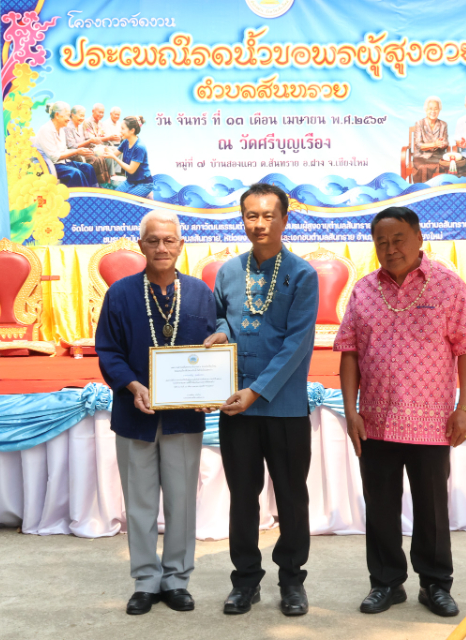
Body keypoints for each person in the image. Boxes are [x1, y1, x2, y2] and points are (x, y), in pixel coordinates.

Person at [334, 206, 466, 618]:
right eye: (381, 242)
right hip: (375, 420)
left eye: (398, 239)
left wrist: (465, 407)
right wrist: (351, 411)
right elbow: (349, 352)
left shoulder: (448, 286)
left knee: (432, 509)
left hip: (433, 421)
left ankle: (435, 584)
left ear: (419, 238)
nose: (390, 248)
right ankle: (386, 583)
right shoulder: (364, 290)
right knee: (380, 508)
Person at [203, 183, 319, 617]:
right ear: (243, 219)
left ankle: (292, 581)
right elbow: (222, 318)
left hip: (284, 407)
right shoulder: (228, 271)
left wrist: (257, 391)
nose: (260, 224)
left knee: (291, 497)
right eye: (252, 215)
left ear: (284, 219)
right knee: (242, 497)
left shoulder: (302, 274)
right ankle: (245, 581)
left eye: (269, 216)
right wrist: (220, 334)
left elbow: (297, 344)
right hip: (236, 406)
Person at [94, 210, 217, 615]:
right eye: (153, 240)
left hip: (184, 417)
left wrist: (210, 389)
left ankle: (177, 579)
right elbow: (108, 351)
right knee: (140, 503)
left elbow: (214, 349)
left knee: (182, 502)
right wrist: (133, 386)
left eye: (169, 240)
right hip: (135, 415)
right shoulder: (120, 294)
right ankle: (146, 581)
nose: (161, 247)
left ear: (181, 244)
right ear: (141, 245)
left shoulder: (200, 293)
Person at [36, 102, 99, 188]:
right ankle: (82, 195)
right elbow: (53, 157)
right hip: (50, 165)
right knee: (75, 173)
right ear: (57, 115)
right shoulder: (45, 130)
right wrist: (77, 152)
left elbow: (64, 150)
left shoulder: (61, 130)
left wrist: (81, 151)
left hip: (62, 162)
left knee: (88, 168)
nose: (69, 119)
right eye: (67, 116)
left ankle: (93, 192)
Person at [109, 116, 155, 198]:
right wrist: (103, 150)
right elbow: (114, 154)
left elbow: (131, 170)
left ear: (132, 130)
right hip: (130, 181)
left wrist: (115, 158)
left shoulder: (139, 147)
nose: (120, 131)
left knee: (126, 201)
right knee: (114, 198)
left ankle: (148, 194)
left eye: (123, 128)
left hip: (144, 184)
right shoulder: (125, 142)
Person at [64, 104, 111, 183]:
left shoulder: (80, 126)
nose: (82, 118)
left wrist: (94, 144)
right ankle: (94, 182)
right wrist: (90, 141)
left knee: (99, 155)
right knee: (95, 159)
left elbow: (85, 141)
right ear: (73, 115)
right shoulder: (68, 127)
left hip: (83, 151)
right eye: (81, 115)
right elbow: (72, 146)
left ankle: (104, 180)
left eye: (84, 116)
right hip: (74, 154)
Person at [412, 96, 449, 183]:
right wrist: (435, 144)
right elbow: (418, 145)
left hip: (437, 156)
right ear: (426, 110)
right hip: (421, 156)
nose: (433, 111)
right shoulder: (419, 123)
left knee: (442, 165)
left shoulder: (443, 124)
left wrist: (442, 144)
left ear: (439, 110)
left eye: (436, 109)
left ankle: (438, 189)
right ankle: (422, 189)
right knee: (422, 167)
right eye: (430, 108)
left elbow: (445, 142)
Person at [103, 106, 124, 175]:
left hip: (118, 144)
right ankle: (112, 173)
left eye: (118, 115)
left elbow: (121, 134)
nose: (117, 116)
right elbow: (110, 136)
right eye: (115, 114)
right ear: (111, 114)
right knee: (118, 150)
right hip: (109, 144)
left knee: (123, 149)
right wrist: (118, 135)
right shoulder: (106, 123)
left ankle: (117, 172)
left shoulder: (119, 123)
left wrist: (119, 135)